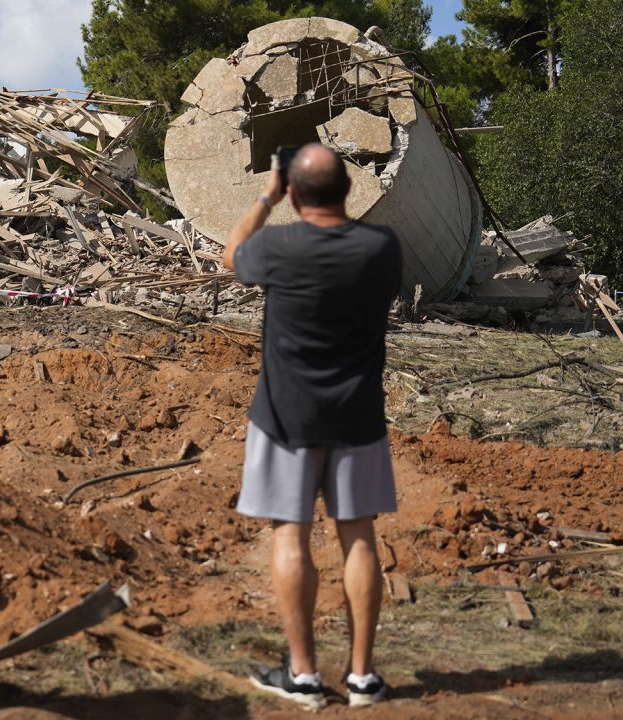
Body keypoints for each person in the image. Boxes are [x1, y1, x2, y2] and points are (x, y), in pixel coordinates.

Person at [221, 143, 402, 709]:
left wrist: (267, 196)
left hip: (283, 418)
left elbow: (232, 254)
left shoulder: (276, 245)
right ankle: (363, 678)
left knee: (290, 535)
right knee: (358, 537)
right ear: (348, 190)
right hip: (359, 417)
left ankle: (302, 675)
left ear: (293, 192)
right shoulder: (381, 247)